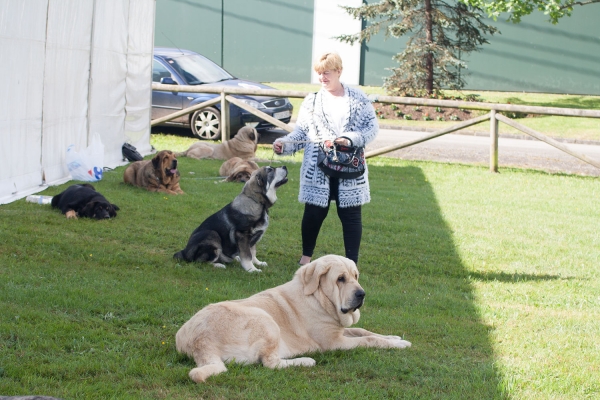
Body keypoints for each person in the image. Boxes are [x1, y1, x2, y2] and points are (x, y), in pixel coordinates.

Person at [272, 52, 378, 266]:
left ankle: (352, 264)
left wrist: (349, 139)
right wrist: (285, 144)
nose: (322, 77)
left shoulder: (358, 98)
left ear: (339, 71)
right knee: (313, 213)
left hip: (350, 169)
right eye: (319, 73)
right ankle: (305, 259)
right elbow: (301, 134)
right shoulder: (311, 101)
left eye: (326, 73)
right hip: (317, 169)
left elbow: (371, 129)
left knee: (350, 215)